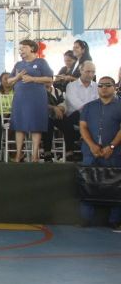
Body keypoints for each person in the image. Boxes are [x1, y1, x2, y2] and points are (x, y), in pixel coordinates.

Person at [78, 76, 121, 229]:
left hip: (114, 153)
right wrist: (91, 145)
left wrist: (112, 147)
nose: (103, 88)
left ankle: (115, 220)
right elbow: (83, 126)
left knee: (116, 185)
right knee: (87, 184)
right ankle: (85, 219)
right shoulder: (88, 107)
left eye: (107, 85)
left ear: (114, 87)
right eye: (101, 85)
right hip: (91, 153)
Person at [8, 39, 53, 163]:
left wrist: (33, 79)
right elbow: (8, 81)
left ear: (32, 48)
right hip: (20, 99)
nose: (20, 50)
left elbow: (49, 79)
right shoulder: (18, 64)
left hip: (36, 98)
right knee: (19, 126)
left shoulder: (41, 62)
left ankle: (34, 156)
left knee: (36, 126)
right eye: (20, 48)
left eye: (23, 48)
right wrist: (17, 77)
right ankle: (18, 154)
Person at [62, 61, 98, 160]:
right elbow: (75, 103)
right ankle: (72, 150)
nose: (90, 74)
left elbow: (99, 102)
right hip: (75, 115)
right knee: (72, 118)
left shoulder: (97, 86)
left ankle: (85, 144)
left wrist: (90, 110)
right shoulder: (71, 86)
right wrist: (89, 109)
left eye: (93, 72)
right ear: (81, 70)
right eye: (87, 71)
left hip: (93, 116)